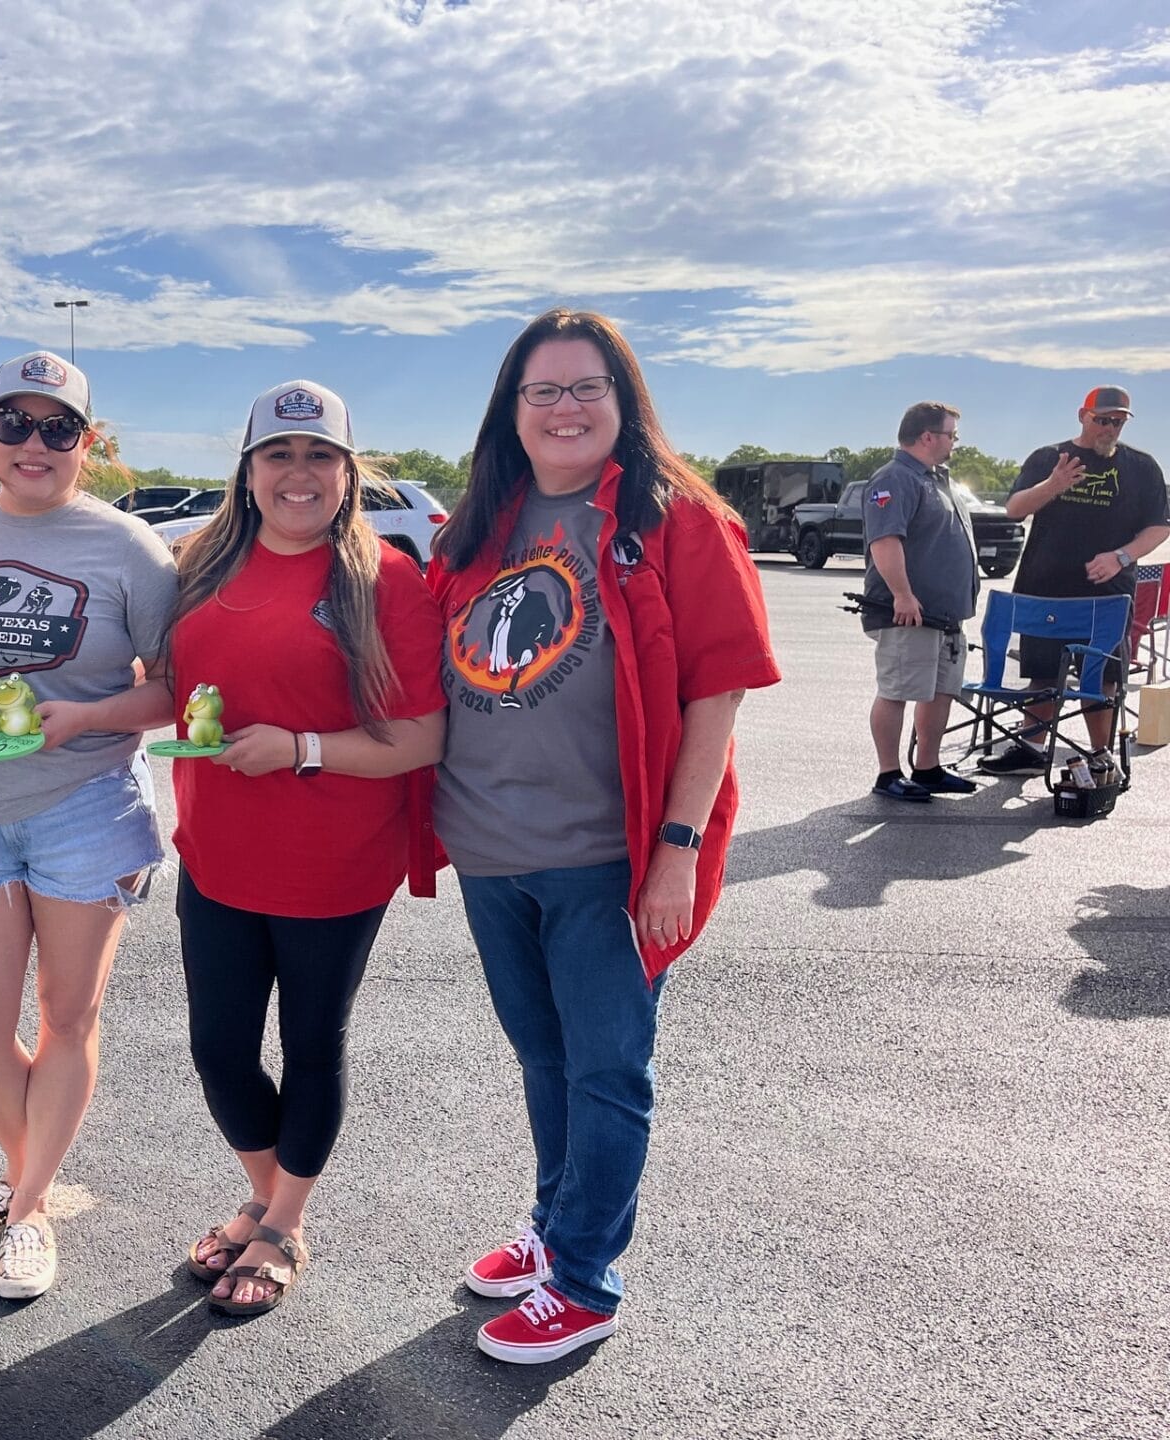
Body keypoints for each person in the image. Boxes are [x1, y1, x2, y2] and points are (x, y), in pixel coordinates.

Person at [429, 308, 780, 1364]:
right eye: (544, 390)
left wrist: (676, 849)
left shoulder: (678, 518)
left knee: (608, 1069)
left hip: (610, 853)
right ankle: (553, 1228)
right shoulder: (483, 524)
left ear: (624, 405)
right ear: (513, 411)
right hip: (492, 848)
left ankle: (584, 1277)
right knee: (545, 1057)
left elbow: (718, 694)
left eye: (589, 388)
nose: (567, 407)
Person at [50, 380, 446, 1314]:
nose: (298, 474)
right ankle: (272, 1198)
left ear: (348, 472)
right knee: (220, 1050)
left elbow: (424, 734)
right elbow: (169, 692)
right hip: (220, 853)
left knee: (312, 1045)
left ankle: (282, 1224)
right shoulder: (199, 565)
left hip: (336, 861)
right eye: (280, 455)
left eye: (319, 457)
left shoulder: (384, 580)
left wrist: (300, 750)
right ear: (249, 469)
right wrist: (81, 717)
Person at [0, 351, 177, 1300]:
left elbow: (179, 691)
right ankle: (30, 1175)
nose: (34, 444)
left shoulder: (127, 548)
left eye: (57, 427)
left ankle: (26, 1210)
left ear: (85, 442)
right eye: (15, 424)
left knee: (66, 1019)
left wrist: (88, 717)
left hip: (88, 808)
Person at [980, 385, 1169, 777]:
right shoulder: (1050, 457)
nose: (1110, 428)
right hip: (1045, 588)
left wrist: (1121, 557)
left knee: (1102, 676)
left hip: (1108, 596)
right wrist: (1054, 485)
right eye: (1103, 420)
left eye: (1118, 422)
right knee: (1043, 671)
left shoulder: (1142, 467)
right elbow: (1015, 509)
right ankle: (1031, 748)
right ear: (1083, 415)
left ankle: (1100, 754)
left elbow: (1158, 527)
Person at [860, 402, 979, 801]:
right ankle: (888, 773)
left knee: (940, 691)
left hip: (945, 616)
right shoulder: (894, 478)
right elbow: (885, 541)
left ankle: (927, 768)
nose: (955, 443)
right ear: (928, 436)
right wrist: (903, 595)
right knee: (897, 689)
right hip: (908, 613)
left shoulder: (936, 479)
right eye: (952, 435)